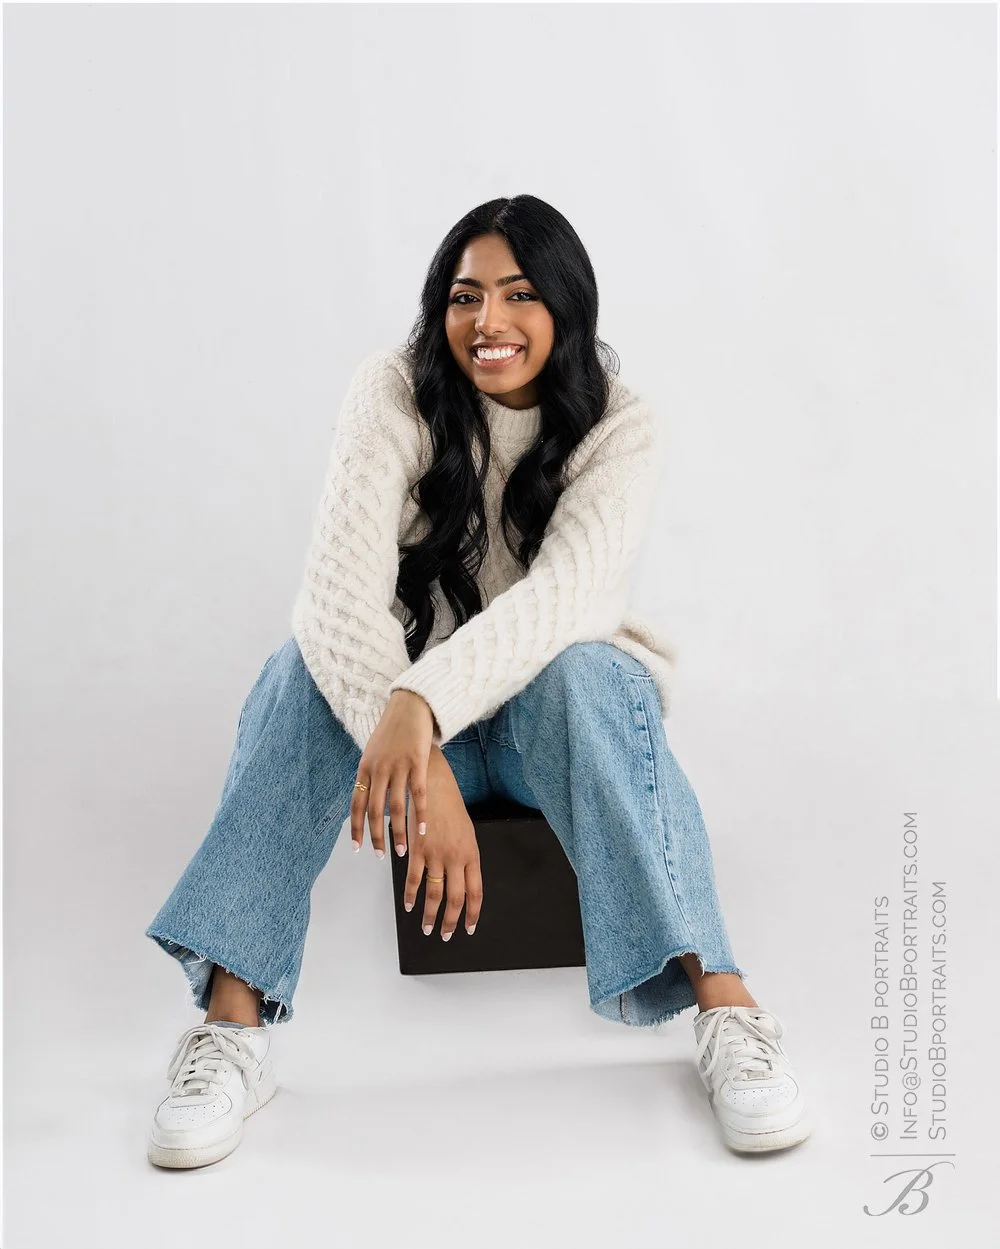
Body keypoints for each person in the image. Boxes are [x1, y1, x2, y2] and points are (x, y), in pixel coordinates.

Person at [144, 195, 812, 1169]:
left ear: (567, 308)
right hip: (420, 738)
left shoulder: (619, 424)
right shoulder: (392, 391)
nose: (487, 322)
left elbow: (566, 601)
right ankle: (233, 1025)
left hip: (549, 721)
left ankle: (725, 1005)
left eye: (518, 294)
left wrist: (419, 705)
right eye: (465, 296)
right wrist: (421, 752)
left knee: (587, 669)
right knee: (299, 666)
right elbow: (334, 597)